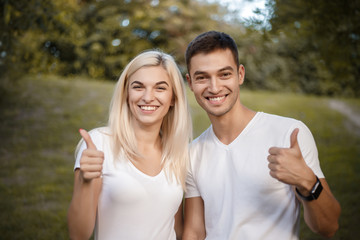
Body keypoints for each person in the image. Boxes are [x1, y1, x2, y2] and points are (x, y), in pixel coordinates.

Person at [182, 31, 341, 240]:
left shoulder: (289, 133)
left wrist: (307, 181)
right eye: (202, 77)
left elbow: (328, 227)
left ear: (240, 74)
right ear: (190, 82)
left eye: (224, 74)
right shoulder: (192, 153)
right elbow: (194, 231)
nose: (214, 87)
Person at [67, 50, 192, 240]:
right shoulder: (99, 143)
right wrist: (85, 182)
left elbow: (178, 229)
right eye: (138, 86)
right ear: (126, 93)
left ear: (173, 98)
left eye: (160, 88)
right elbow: (78, 235)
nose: (148, 97)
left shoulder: (178, 153)